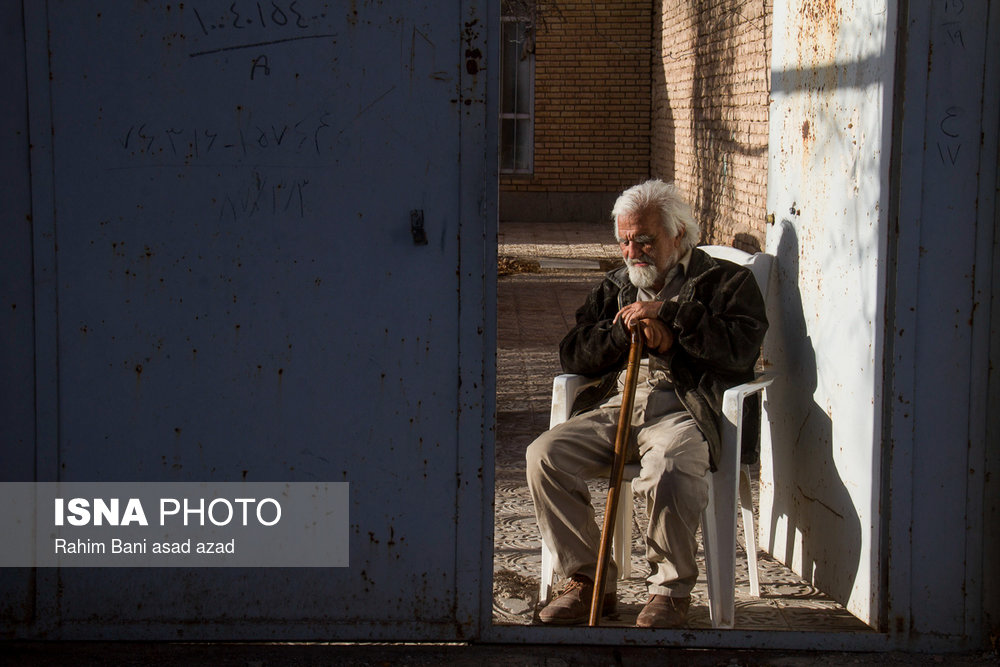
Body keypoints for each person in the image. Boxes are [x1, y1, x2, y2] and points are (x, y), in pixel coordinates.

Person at [526, 179, 768, 627]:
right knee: (544, 455)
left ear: (678, 234)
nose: (632, 251)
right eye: (624, 241)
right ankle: (587, 582)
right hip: (620, 404)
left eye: (644, 240)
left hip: (688, 408)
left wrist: (671, 323)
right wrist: (622, 333)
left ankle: (669, 590)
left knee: (672, 464)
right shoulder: (617, 286)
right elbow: (573, 351)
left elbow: (740, 350)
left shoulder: (727, 281)